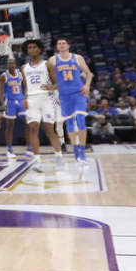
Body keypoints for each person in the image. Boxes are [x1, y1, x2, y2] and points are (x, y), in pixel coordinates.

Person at [52, 37, 93, 172]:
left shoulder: (77, 58)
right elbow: (49, 79)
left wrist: (87, 85)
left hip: (78, 93)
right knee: (69, 123)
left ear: (68, 45)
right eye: (59, 43)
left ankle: (82, 152)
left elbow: (88, 73)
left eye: (64, 43)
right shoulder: (53, 60)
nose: (62, 45)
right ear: (57, 47)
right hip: (64, 95)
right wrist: (54, 95)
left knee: (81, 120)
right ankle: (75, 150)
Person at [21, 39, 60, 173]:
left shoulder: (47, 65)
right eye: (29, 48)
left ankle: (59, 156)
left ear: (40, 49)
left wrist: (50, 87)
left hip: (46, 99)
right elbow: (25, 87)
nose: (31, 50)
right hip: (32, 100)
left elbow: (56, 84)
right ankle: (37, 160)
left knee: (50, 130)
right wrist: (24, 99)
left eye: (34, 47)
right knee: (33, 128)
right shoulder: (24, 68)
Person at [0, 54, 24, 159]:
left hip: (21, 100)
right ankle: (9, 149)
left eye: (12, 63)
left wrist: (26, 98)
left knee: (30, 123)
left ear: (15, 64)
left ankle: (30, 148)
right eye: (9, 63)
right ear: (7, 65)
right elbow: (0, 91)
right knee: (10, 126)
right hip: (10, 102)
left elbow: (25, 87)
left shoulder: (20, 74)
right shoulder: (3, 76)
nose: (11, 64)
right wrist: (2, 103)